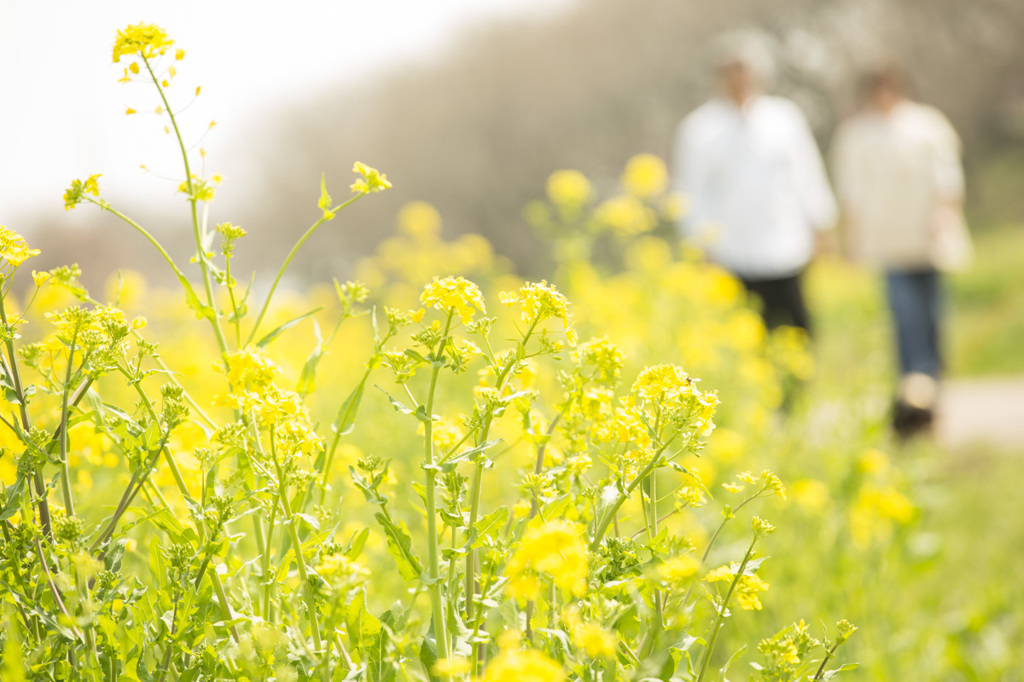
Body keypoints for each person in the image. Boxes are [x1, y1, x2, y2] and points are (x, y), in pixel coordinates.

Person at [831, 65, 972, 438]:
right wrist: (851, 240)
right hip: (888, 241)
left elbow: (947, 177)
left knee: (932, 319)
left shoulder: (926, 124)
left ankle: (931, 393)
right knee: (906, 320)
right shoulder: (857, 132)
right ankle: (914, 397)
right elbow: (851, 191)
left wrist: (943, 216)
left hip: (928, 239)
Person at [673, 32, 837, 332]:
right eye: (730, 72)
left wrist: (821, 224)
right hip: (732, 251)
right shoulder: (698, 129)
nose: (739, 80)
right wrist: (699, 247)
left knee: (798, 328)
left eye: (745, 70)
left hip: (786, 244)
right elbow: (690, 193)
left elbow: (807, 174)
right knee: (746, 337)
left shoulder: (785, 117)